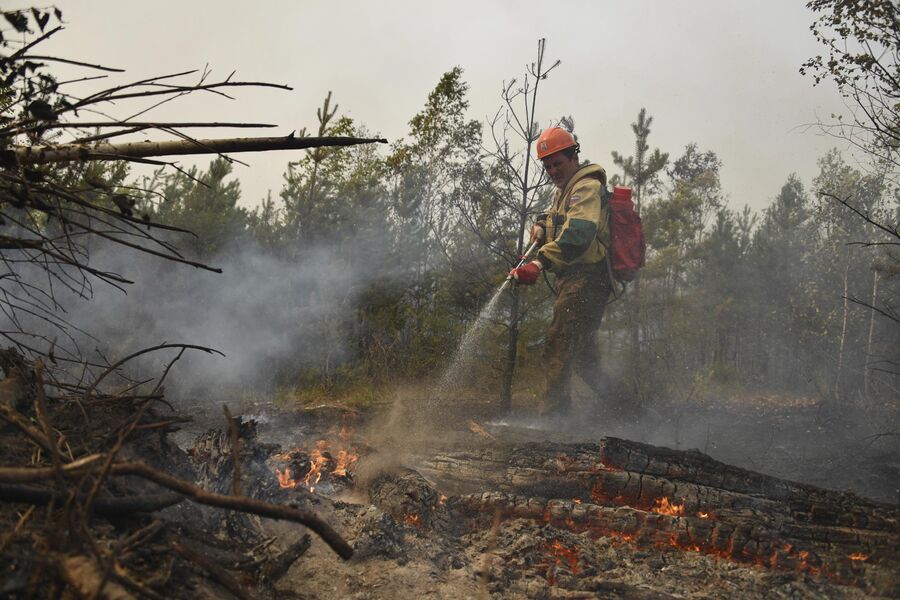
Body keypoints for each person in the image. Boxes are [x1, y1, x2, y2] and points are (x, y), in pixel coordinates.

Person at [509, 126, 612, 416]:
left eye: (558, 163)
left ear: (573, 156)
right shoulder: (565, 189)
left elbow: (579, 234)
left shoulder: (586, 187)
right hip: (575, 279)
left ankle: (552, 426)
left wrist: (539, 263)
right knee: (584, 360)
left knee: (557, 345)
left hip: (588, 279)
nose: (552, 170)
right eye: (548, 166)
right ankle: (633, 413)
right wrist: (542, 226)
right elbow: (559, 219)